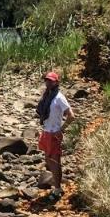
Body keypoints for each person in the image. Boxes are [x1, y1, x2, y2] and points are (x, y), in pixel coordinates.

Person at [37, 70, 73, 201]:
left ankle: (57, 188)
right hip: (46, 131)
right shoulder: (47, 95)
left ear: (56, 82)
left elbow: (71, 116)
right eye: (47, 80)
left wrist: (61, 129)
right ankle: (57, 184)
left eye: (51, 80)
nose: (48, 82)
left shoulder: (59, 97)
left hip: (54, 133)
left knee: (54, 161)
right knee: (48, 159)